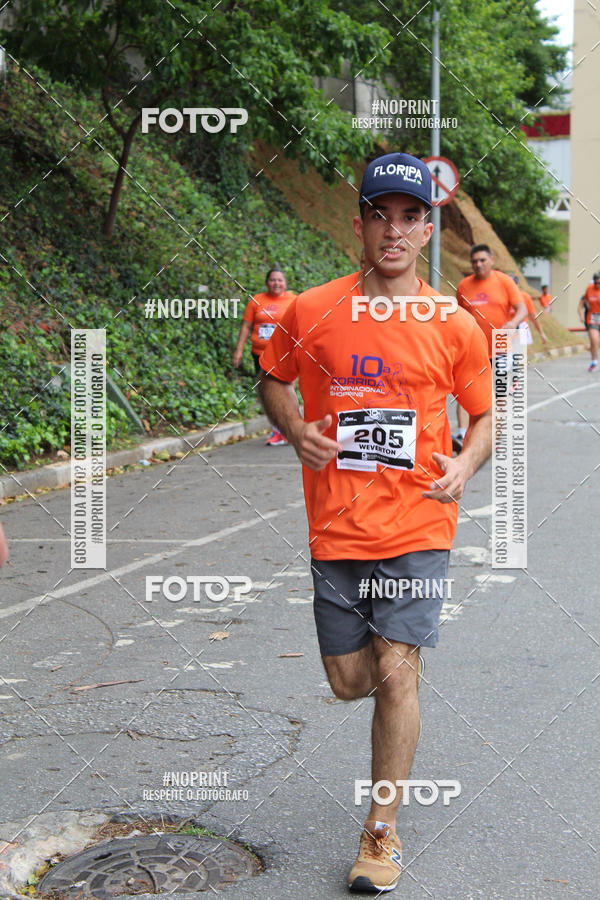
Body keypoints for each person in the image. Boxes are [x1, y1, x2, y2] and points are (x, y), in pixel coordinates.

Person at [259, 152, 492, 893]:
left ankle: (381, 833)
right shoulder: (312, 309)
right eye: (379, 214)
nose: (393, 231)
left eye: (409, 217)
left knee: (397, 674)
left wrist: (464, 464)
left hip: (420, 524)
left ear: (428, 229)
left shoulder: (454, 325)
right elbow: (274, 381)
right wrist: (297, 431)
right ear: (359, 221)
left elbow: (483, 418)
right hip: (337, 527)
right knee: (349, 681)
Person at [453, 245, 527, 451]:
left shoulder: (504, 282)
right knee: (465, 389)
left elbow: (522, 309)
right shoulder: (464, 286)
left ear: (492, 260)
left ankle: (496, 434)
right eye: (474, 261)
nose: (478, 264)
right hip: (473, 348)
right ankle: (462, 434)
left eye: (482, 260)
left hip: (501, 345)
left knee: (500, 392)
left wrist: (513, 323)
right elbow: (459, 316)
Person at [232, 267, 296, 444]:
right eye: (273, 280)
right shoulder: (257, 301)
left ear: (285, 283)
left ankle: (287, 429)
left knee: (284, 389)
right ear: (267, 282)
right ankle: (279, 431)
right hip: (260, 354)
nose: (276, 283)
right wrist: (239, 349)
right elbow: (246, 326)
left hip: (284, 354)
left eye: (280, 280)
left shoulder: (294, 301)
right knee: (268, 393)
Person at [511, 276, 547, 345]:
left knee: (520, 353)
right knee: (504, 354)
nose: (512, 287)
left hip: (521, 327)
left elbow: (533, 316)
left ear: (517, 284)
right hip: (506, 329)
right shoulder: (502, 297)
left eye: (514, 284)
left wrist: (541, 333)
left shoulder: (525, 297)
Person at [578, 272, 600, 371]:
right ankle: (594, 361)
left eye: (599, 283)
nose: (597, 285)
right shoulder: (589, 289)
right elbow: (582, 303)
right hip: (592, 318)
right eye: (595, 283)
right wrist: (582, 315)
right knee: (593, 338)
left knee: (596, 341)